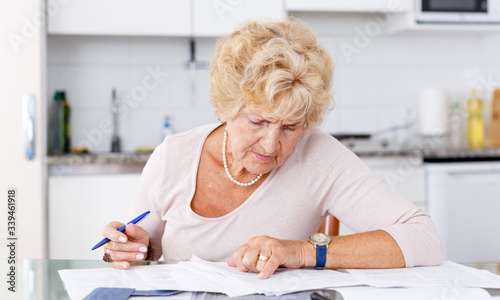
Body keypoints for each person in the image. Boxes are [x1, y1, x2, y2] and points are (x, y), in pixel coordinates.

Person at [101, 18, 442, 279]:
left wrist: (304, 252)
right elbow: (147, 252)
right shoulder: (173, 155)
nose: (271, 143)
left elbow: (424, 238)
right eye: (258, 122)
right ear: (226, 107)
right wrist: (129, 250)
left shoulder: (319, 156)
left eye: (290, 127)